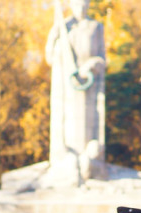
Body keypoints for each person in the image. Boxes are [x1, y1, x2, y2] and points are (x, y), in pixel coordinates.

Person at [45, 0, 106, 180]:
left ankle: (89, 163)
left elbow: (102, 59)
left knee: (88, 128)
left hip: (90, 88)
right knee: (67, 126)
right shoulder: (64, 27)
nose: (81, 6)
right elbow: (49, 57)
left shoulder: (96, 27)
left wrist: (91, 65)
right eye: (77, 3)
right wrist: (54, 35)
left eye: (84, 3)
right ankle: (66, 161)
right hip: (66, 89)